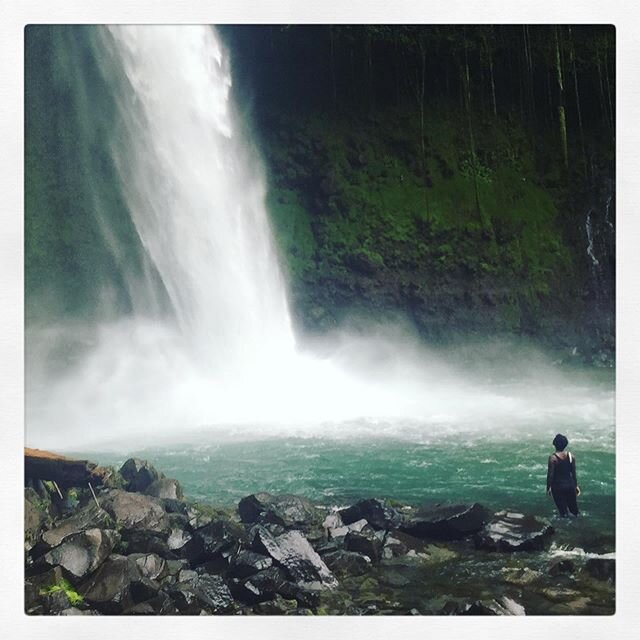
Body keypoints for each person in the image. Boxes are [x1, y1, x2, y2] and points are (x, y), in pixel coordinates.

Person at [546, 433, 580, 517]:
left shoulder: (553, 458)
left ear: (554, 444)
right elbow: (573, 473)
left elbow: (550, 475)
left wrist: (548, 488)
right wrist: (576, 486)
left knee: (563, 512)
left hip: (558, 487)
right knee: (574, 511)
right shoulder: (571, 456)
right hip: (570, 486)